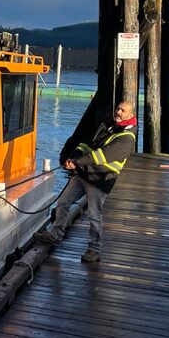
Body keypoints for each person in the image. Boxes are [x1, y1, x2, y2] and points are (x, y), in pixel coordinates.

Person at [37, 99, 138, 263]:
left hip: (100, 179)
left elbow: (101, 155)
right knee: (63, 202)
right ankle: (55, 234)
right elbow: (87, 144)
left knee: (94, 215)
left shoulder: (126, 138)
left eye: (122, 110)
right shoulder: (107, 126)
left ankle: (94, 249)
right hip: (84, 174)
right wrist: (74, 156)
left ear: (131, 115)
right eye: (118, 108)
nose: (118, 112)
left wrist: (78, 162)